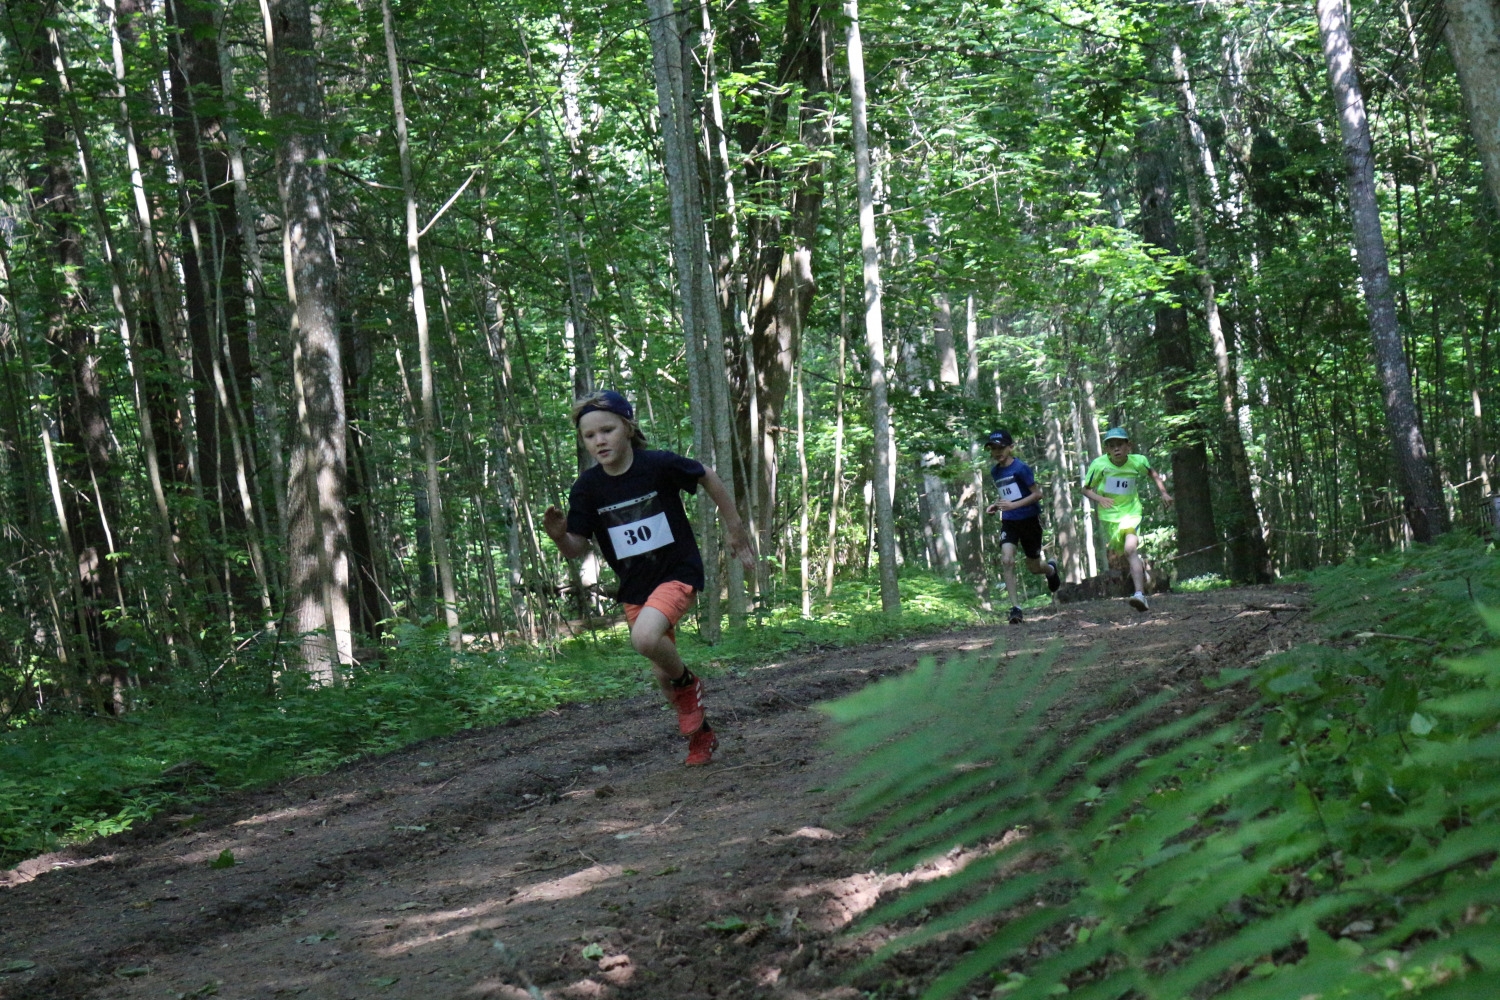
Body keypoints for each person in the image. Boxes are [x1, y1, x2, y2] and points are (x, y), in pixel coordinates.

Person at [543, 390, 753, 767]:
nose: (599, 440)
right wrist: (560, 535)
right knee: (661, 672)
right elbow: (577, 548)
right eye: (589, 436)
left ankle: (690, 684)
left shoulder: (657, 465)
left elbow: (706, 475)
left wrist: (734, 528)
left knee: (644, 639)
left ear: (627, 427)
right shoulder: (587, 489)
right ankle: (700, 737)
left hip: (676, 572)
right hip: (636, 586)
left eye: (607, 430)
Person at [1080, 426, 1173, 612]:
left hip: (1132, 513)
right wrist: (1100, 498)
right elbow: (1085, 488)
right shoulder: (1099, 465)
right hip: (1110, 516)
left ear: (1128, 446)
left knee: (1131, 550)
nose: (1116, 449)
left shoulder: (1138, 461)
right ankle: (1143, 576)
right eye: (1111, 445)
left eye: (1120, 445)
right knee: (1124, 554)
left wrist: (1164, 493)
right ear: (1106, 449)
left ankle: (1139, 595)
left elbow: (1153, 474)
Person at [983, 430, 1061, 624]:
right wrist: (997, 504)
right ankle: (1015, 608)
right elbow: (1007, 495)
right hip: (1009, 522)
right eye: (993, 448)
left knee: (1034, 567)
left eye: (1001, 447)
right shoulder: (995, 471)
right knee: (1007, 560)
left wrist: (1013, 505)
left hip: (1029, 521)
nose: (997, 452)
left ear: (1011, 447)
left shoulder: (1021, 468)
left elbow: (1037, 494)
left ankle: (1050, 569)